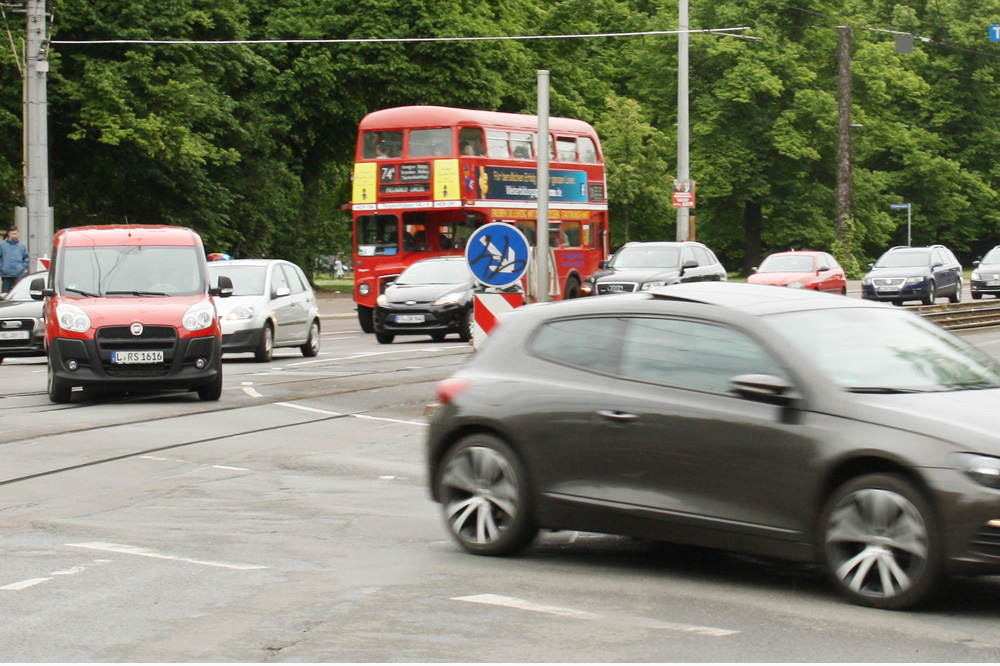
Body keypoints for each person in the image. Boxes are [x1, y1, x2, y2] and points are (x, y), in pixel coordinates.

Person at [1, 227, 30, 294]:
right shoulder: (2, 245)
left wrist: (23, 267)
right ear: (9, 234)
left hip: (19, 274)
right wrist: (2, 267)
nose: (14, 235)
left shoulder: (21, 246)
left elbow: (26, 258)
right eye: (12, 233)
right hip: (6, 274)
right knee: (5, 293)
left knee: (19, 293)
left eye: (16, 234)